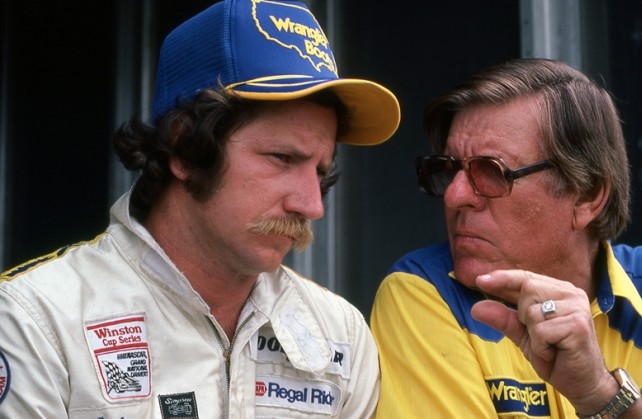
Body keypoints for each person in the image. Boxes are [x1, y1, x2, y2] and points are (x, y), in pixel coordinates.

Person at [0, 0, 400, 417]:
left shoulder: (341, 334)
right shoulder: (35, 319)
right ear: (184, 146)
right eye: (282, 158)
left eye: (321, 171)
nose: (312, 205)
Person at [371, 58, 642, 418]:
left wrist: (600, 393)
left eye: (492, 172)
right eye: (449, 169)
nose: (454, 195)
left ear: (587, 195)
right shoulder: (423, 292)